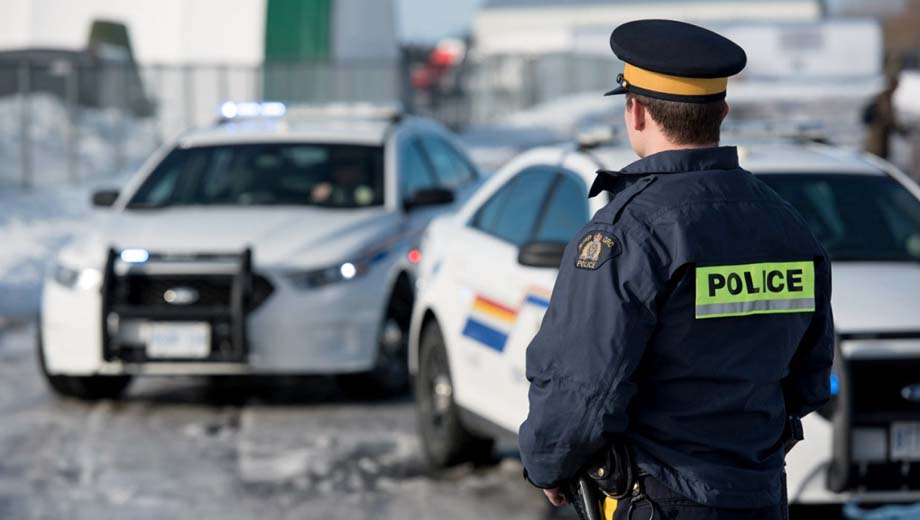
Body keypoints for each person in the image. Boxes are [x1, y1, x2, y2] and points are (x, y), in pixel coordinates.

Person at [519, 19, 834, 520]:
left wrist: (549, 464)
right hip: (759, 497)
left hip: (659, 499)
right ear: (721, 111)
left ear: (635, 110)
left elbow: (581, 384)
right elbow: (811, 380)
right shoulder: (786, 223)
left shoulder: (628, 233)